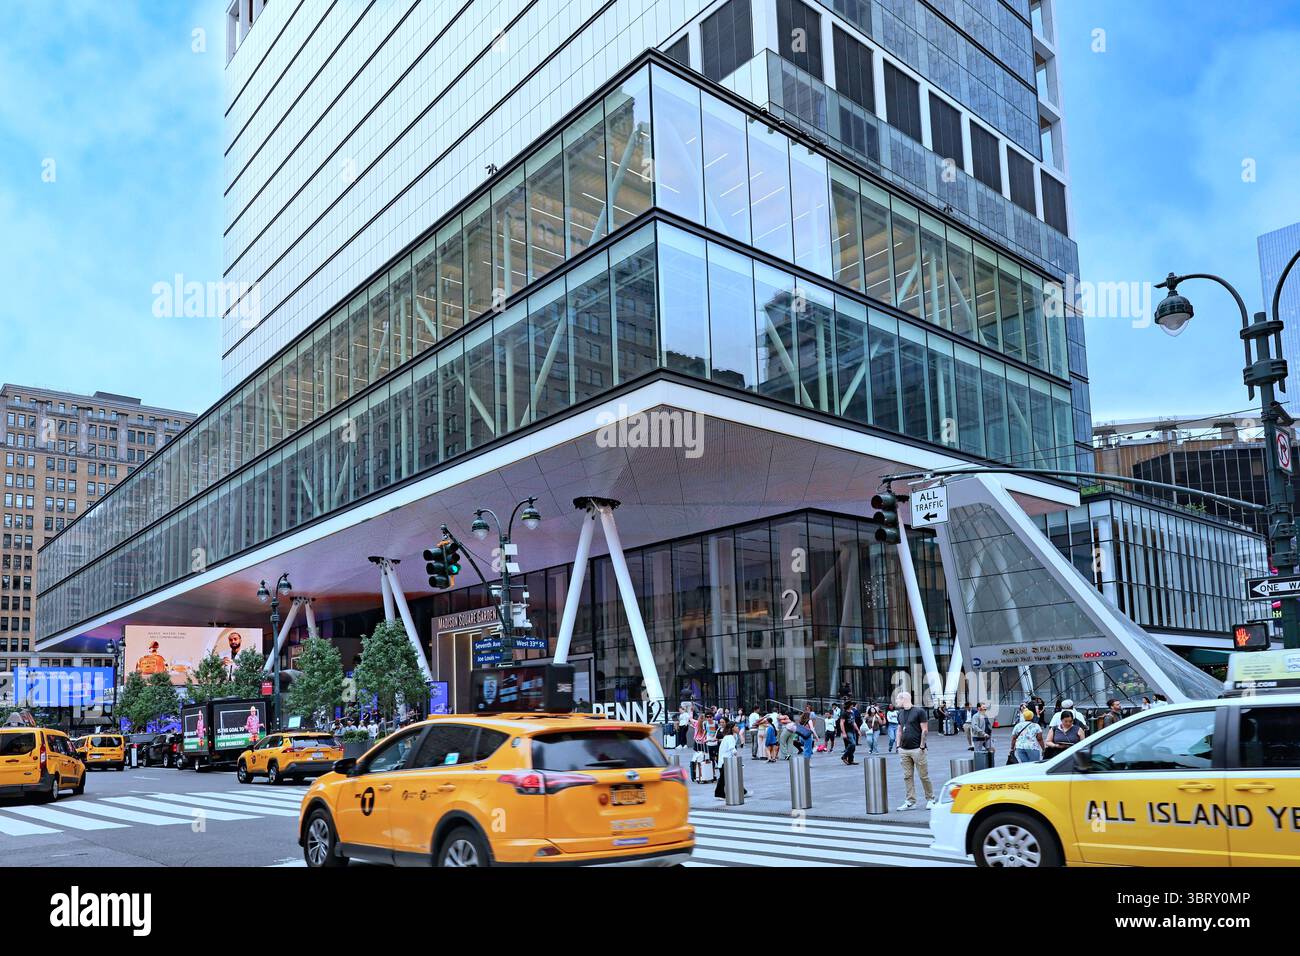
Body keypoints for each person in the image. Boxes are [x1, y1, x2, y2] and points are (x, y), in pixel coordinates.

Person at [894, 691, 935, 810]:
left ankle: (931, 799)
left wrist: (922, 746)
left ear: (904, 699)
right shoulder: (900, 713)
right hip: (904, 749)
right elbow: (899, 730)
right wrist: (898, 746)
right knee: (907, 776)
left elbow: (925, 730)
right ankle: (910, 801)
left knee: (924, 776)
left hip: (917, 749)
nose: (896, 701)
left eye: (897, 699)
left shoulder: (919, 711)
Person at [714, 722, 747, 800]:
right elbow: (732, 749)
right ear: (732, 728)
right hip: (726, 762)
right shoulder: (730, 737)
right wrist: (737, 757)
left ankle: (743, 792)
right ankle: (719, 794)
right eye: (736, 726)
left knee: (731, 778)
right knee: (723, 780)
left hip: (725, 761)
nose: (737, 728)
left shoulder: (728, 737)